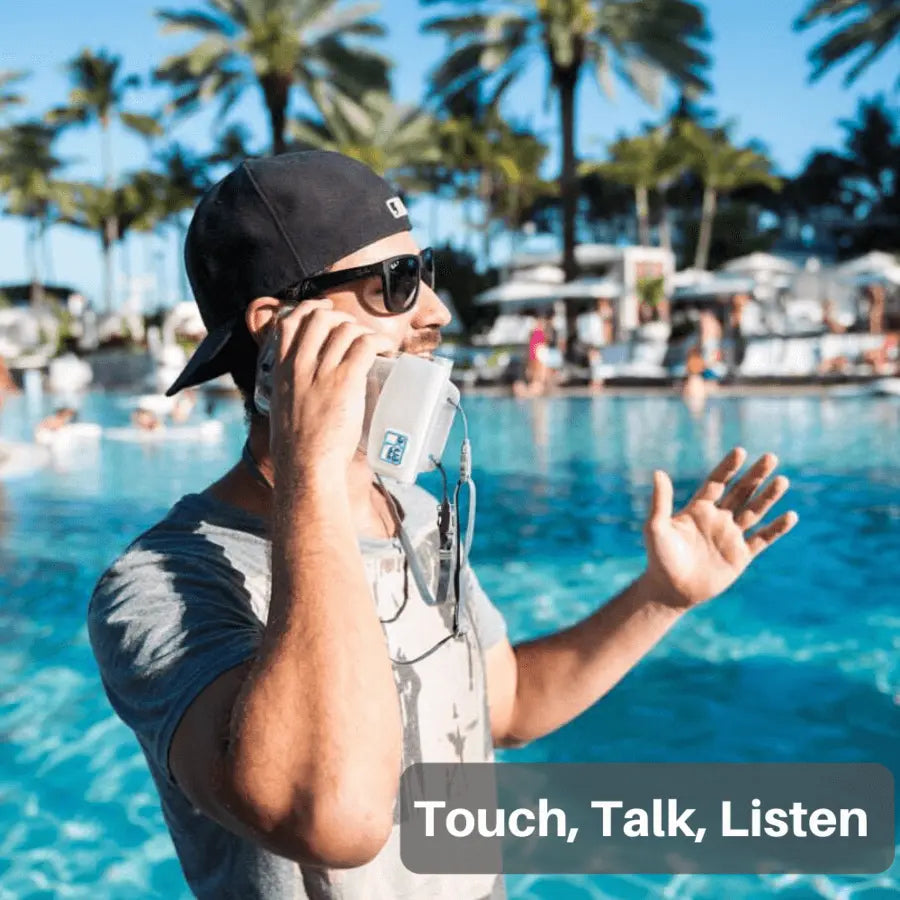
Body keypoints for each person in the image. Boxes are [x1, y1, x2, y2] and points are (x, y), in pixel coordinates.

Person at [87, 151, 799, 900]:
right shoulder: (161, 586)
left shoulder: (416, 513)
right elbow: (334, 818)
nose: (436, 312)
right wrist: (313, 468)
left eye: (423, 273)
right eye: (394, 285)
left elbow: (506, 706)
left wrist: (660, 596)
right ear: (279, 335)